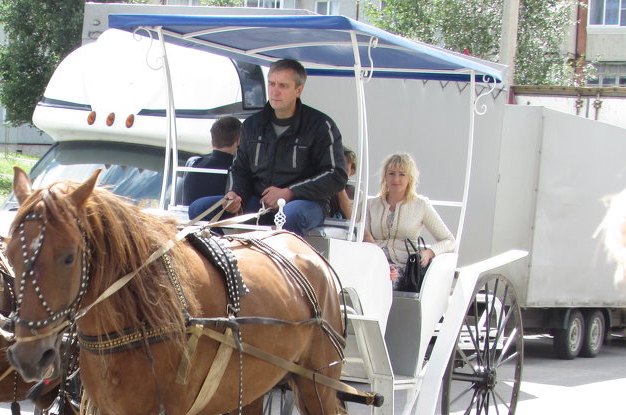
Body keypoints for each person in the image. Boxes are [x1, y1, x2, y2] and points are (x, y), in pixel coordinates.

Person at [192, 58, 348, 234]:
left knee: (290, 214)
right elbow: (240, 169)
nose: (275, 91)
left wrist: (289, 193)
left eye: (283, 85)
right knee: (199, 208)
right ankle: (220, 259)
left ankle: (287, 262)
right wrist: (234, 194)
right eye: (272, 84)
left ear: (299, 89)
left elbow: (337, 175)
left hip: (306, 203)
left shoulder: (320, 125)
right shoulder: (252, 125)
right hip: (259, 202)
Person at [364, 153, 456, 288]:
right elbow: (363, 236)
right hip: (373, 261)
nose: (396, 179)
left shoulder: (421, 205)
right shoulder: (371, 204)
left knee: (385, 281)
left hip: (404, 267)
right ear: (385, 176)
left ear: (410, 178)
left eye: (402, 174)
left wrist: (429, 252)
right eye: (391, 173)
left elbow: (449, 240)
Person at [182, 116, 242, 216]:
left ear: (212, 141)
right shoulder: (236, 171)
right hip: (218, 227)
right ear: (239, 141)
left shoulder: (194, 165)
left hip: (190, 224)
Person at [329, 147, 357, 220]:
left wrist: (340, 187)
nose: (340, 173)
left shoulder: (354, 192)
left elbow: (352, 218)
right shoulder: (319, 187)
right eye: (336, 169)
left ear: (352, 171)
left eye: (345, 170)